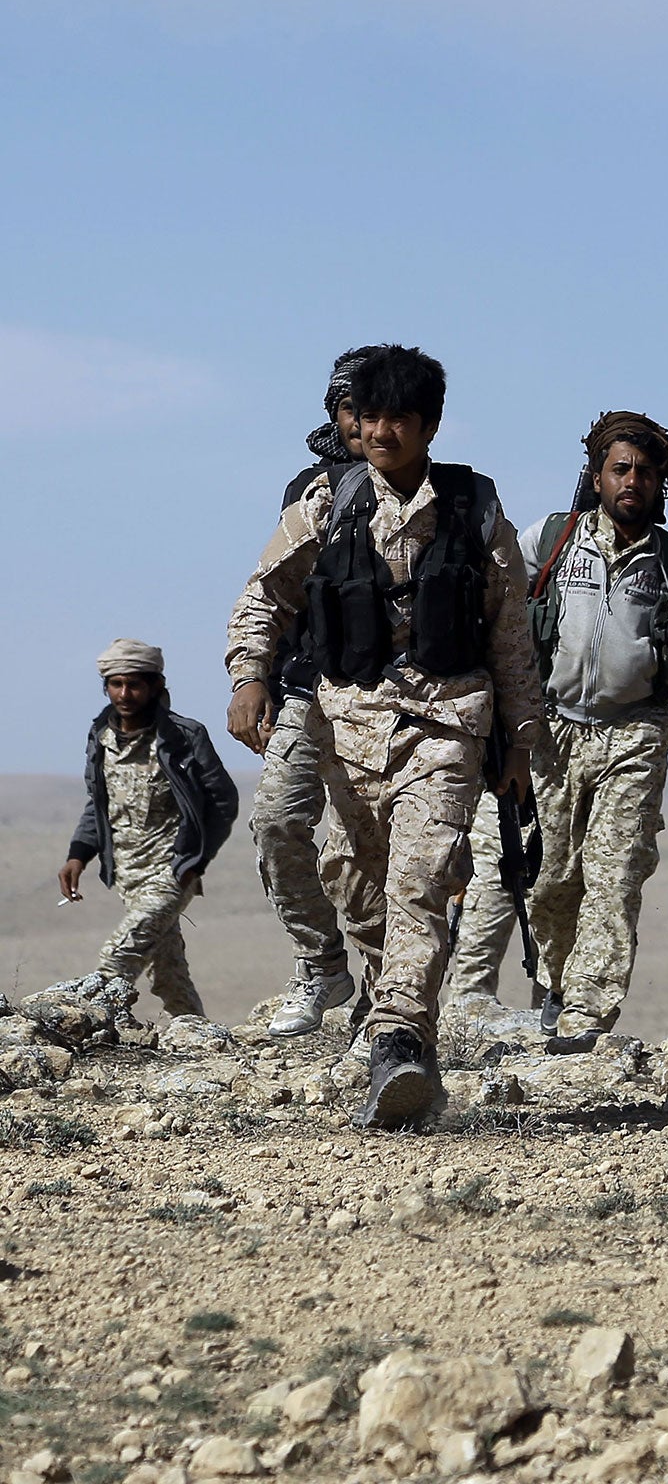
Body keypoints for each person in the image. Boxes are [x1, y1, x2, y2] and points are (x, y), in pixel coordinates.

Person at [225, 345, 545, 1127]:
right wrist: (248, 677)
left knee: (421, 878)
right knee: (354, 876)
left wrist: (522, 739)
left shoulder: (474, 509)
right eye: (370, 418)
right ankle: (390, 1023)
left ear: (430, 424)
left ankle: (400, 1037)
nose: (383, 432)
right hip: (348, 723)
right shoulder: (325, 506)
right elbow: (264, 596)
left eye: (399, 417)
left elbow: (510, 631)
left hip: (446, 720)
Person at [501, 411, 668, 1052]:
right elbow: (497, 614)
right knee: (551, 880)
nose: (632, 481)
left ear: (661, 481)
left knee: (615, 875)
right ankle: (553, 993)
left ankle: (586, 1016)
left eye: (644, 471)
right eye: (620, 469)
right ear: (597, 475)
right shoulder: (551, 542)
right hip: (551, 734)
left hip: (635, 734)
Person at [231, 348, 373, 1038]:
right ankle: (320, 965)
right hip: (309, 688)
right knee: (279, 823)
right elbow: (273, 589)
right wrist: (250, 674)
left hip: (400, 701)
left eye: (377, 409)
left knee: (374, 853)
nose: (363, 423)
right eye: (352, 408)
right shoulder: (311, 487)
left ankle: (391, 995)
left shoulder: (443, 495)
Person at [60, 640, 238, 1020]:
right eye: (116, 684)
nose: (124, 694)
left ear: (156, 686)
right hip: (128, 872)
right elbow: (99, 802)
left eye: (135, 684)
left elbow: (222, 800)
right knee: (168, 971)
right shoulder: (100, 737)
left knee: (119, 954)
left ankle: (83, 1025)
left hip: (172, 869)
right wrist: (79, 854)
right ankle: (197, 1036)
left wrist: (197, 860)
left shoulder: (183, 738)